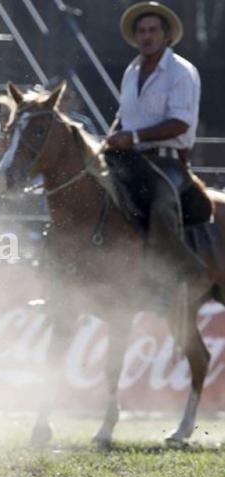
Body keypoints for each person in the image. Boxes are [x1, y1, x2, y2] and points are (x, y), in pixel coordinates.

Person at [105, 2, 205, 298]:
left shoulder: (181, 72)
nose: (146, 36)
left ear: (166, 36)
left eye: (152, 30)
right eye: (141, 31)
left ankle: (175, 275)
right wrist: (112, 136)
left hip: (167, 163)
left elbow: (181, 123)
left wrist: (133, 136)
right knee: (91, 190)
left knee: (161, 206)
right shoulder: (131, 71)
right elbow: (124, 115)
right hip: (128, 159)